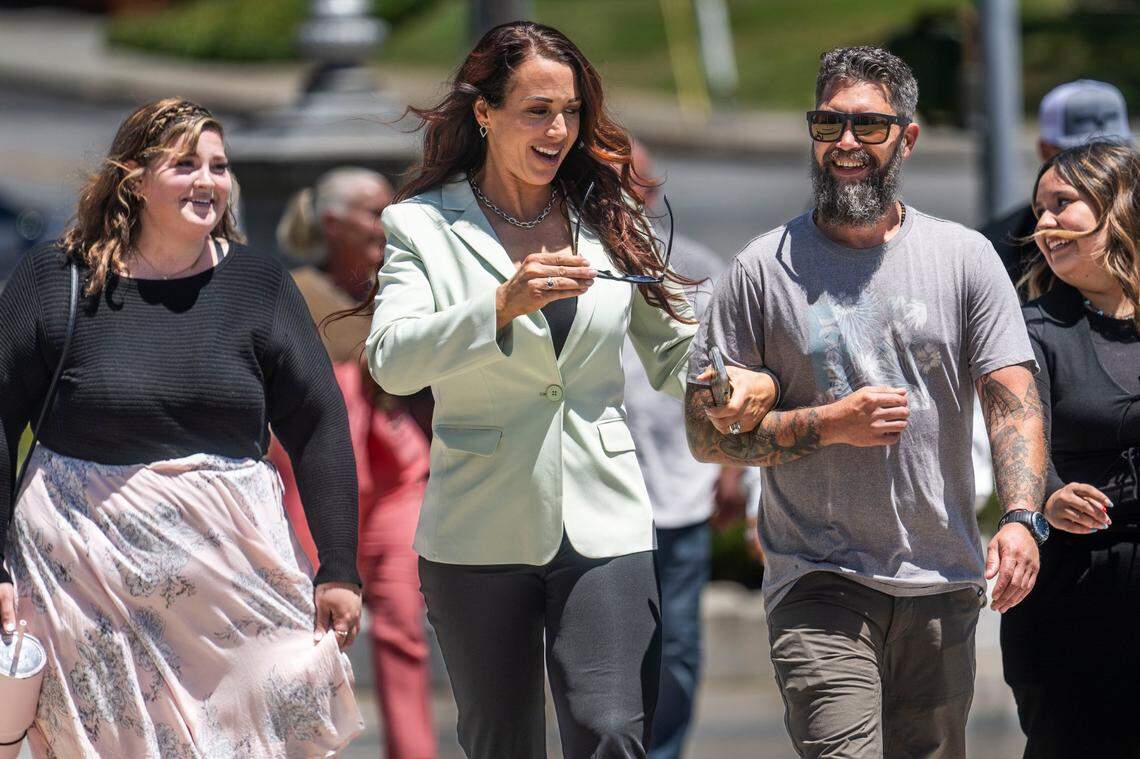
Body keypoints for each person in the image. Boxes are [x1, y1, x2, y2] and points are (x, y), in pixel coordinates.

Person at [364, 21, 774, 759]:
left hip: (604, 515)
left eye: (572, 111)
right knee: (501, 742)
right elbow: (392, 360)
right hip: (476, 528)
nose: (560, 129)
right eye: (538, 110)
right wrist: (498, 305)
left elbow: (677, 345)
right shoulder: (421, 225)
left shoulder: (609, 215)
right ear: (484, 112)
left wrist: (726, 376)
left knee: (614, 727)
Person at [684, 47, 1048, 758]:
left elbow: (1014, 402)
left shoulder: (963, 258)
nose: (845, 143)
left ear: (906, 137)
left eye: (868, 126)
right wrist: (829, 423)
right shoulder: (763, 269)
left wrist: (1022, 518)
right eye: (829, 124)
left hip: (940, 579)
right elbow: (705, 433)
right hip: (817, 579)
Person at [0, 98, 364, 757]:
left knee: (266, 728)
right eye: (185, 164)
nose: (208, 180)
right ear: (133, 179)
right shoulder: (57, 279)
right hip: (85, 584)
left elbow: (319, 424)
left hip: (237, 583)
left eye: (218, 166)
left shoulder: (259, 283)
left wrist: (338, 567)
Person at [274, 168, 437, 759]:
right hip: (314, 488)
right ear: (332, 222)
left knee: (403, 631)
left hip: (399, 481)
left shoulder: (403, 288)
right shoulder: (293, 293)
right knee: (312, 636)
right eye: (373, 211)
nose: (386, 223)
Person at [1000, 140, 1140, 758]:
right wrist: (1049, 498)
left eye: (1063, 204)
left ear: (1119, 206)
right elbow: (1017, 436)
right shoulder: (1031, 329)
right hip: (1072, 590)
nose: (1045, 224)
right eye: (1039, 209)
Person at [622, 141, 747, 759]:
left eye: (636, 186)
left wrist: (730, 469)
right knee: (603, 648)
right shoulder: (564, 263)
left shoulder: (698, 270)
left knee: (676, 646)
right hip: (598, 493)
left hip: (680, 487)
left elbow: (731, 374)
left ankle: (663, 752)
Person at [982, 79, 1132, 292]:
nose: (1100, 169)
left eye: (1112, 153)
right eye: (1080, 155)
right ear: (1045, 151)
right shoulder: (997, 250)